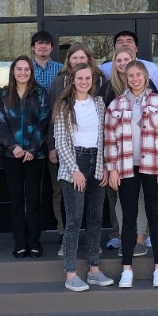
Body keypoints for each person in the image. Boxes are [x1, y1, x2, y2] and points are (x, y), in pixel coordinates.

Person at [105, 60, 158, 289]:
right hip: (125, 167)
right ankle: (126, 269)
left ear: (146, 76)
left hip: (153, 165)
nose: (135, 78)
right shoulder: (115, 105)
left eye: (138, 75)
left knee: (154, 215)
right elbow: (110, 140)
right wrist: (112, 168)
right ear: (125, 78)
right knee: (128, 217)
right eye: (130, 75)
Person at [54, 63, 114, 291]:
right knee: (74, 220)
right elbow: (60, 142)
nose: (84, 82)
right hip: (74, 163)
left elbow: (105, 137)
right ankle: (70, 274)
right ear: (72, 79)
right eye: (80, 78)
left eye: (88, 78)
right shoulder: (64, 105)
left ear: (93, 80)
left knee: (96, 218)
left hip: (97, 161)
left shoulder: (99, 103)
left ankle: (94, 270)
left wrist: (106, 166)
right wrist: (74, 170)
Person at [47, 42, 104, 253]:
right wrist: (53, 146)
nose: (79, 62)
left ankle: (92, 248)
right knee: (71, 207)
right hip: (71, 154)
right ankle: (68, 245)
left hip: (95, 157)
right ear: (68, 61)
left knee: (94, 210)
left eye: (83, 58)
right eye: (74, 58)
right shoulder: (58, 86)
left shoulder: (98, 89)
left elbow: (104, 130)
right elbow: (54, 121)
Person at [0, 56, 50, 258]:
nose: (23, 72)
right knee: (16, 200)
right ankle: (20, 243)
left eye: (27, 69)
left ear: (31, 72)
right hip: (11, 155)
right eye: (19, 69)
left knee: (34, 199)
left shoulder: (40, 93)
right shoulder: (2, 95)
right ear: (13, 72)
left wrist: (32, 148)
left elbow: (44, 121)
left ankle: (34, 242)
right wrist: (13, 146)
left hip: (35, 156)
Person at [99, 47, 150, 254]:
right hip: (119, 155)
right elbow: (105, 126)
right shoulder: (108, 89)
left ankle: (140, 237)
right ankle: (123, 235)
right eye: (118, 59)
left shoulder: (149, 90)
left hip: (145, 155)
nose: (122, 63)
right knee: (121, 198)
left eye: (126, 59)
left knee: (142, 198)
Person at [100, 31, 158, 97]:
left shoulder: (151, 68)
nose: (125, 44)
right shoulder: (104, 69)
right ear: (115, 48)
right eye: (120, 41)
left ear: (136, 48)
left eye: (129, 41)